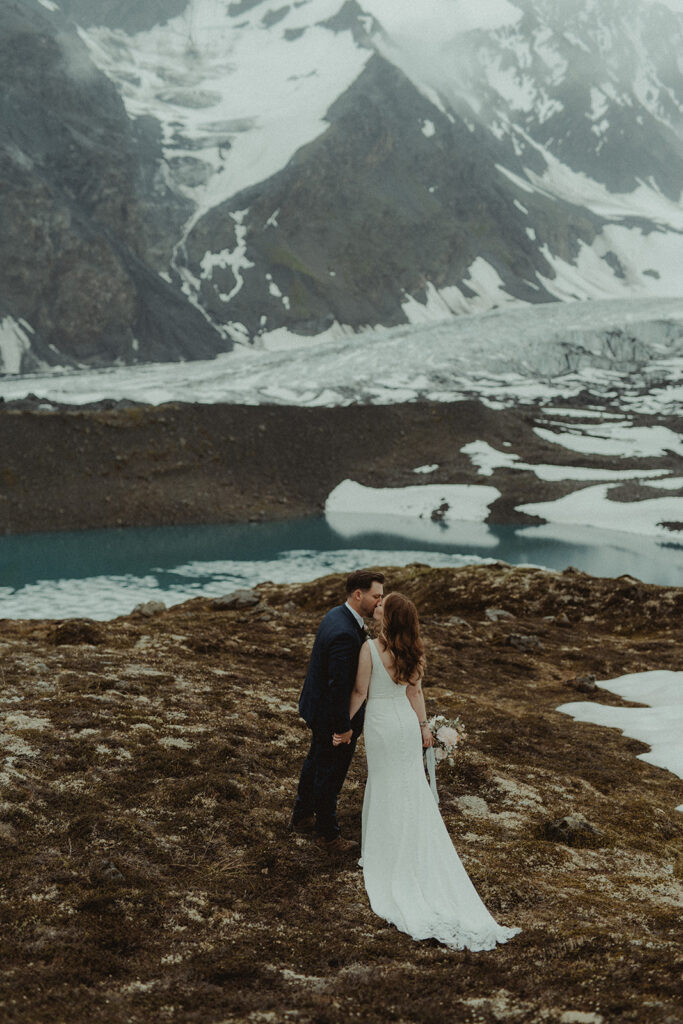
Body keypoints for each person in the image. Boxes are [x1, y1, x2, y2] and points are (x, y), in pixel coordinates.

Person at [334, 592, 520, 949]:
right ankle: (401, 844)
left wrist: (341, 725)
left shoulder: (370, 649)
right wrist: (423, 728)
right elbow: (415, 694)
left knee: (385, 783)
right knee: (409, 786)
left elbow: (359, 692)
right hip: (404, 726)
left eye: (382, 608)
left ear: (389, 619)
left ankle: (382, 852)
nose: (376, 609)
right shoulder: (413, 651)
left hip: (381, 727)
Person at [290, 569, 385, 853]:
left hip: (316, 707)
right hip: (331, 715)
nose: (379, 603)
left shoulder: (337, 614)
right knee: (331, 772)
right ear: (359, 595)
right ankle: (327, 835)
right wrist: (344, 727)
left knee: (316, 761)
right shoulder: (345, 632)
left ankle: (302, 815)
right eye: (376, 596)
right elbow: (338, 687)